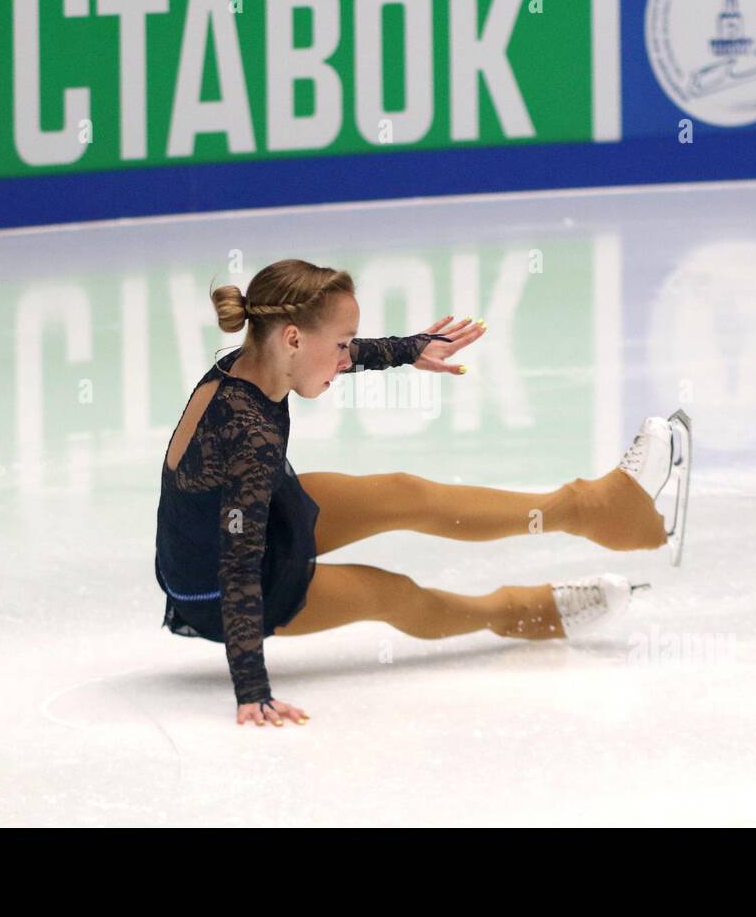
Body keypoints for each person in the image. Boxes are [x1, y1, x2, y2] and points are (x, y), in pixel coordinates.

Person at [155, 259, 688, 728]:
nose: (346, 359)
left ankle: (600, 507)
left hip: (252, 520)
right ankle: (531, 611)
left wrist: (408, 350)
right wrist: (253, 691)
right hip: (221, 592)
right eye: (341, 346)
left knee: (402, 492)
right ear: (292, 338)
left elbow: (333, 349)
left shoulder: (249, 362)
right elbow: (239, 568)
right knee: (391, 593)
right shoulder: (249, 434)